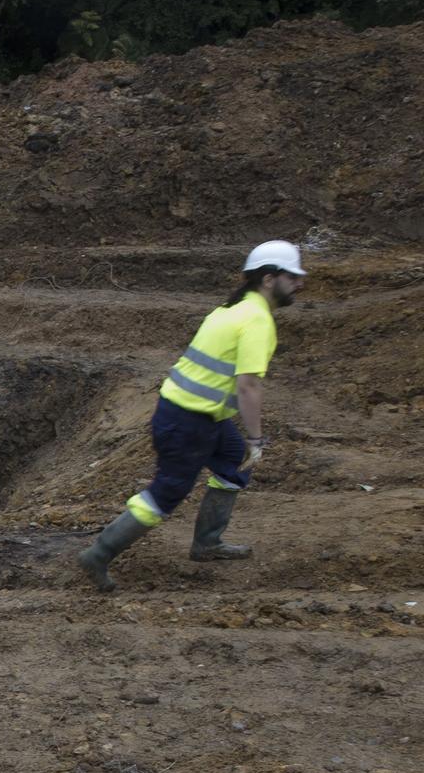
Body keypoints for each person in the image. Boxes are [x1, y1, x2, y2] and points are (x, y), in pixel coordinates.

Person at [79, 240, 305, 591]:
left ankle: (207, 543)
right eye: (292, 277)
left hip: (198, 417)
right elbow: (248, 386)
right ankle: (99, 553)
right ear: (268, 279)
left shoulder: (231, 310)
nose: (299, 283)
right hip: (188, 422)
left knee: (232, 459)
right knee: (167, 492)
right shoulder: (256, 320)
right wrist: (257, 438)